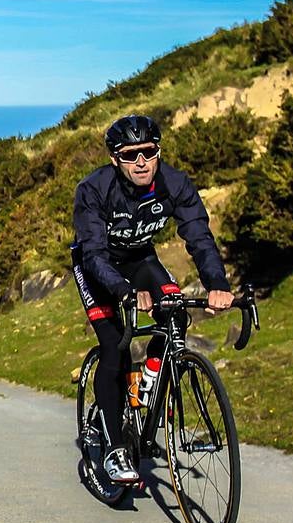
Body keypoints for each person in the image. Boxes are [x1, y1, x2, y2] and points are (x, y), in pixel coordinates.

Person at [72, 114, 234, 485]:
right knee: (114, 346)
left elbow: (199, 235)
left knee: (175, 313)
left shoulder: (174, 183)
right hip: (97, 267)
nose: (141, 162)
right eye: (131, 155)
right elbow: (94, 254)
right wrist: (125, 292)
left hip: (141, 259)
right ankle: (113, 447)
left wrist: (217, 283)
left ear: (158, 151)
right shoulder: (94, 189)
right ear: (115, 159)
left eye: (149, 152)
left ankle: (146, 381)